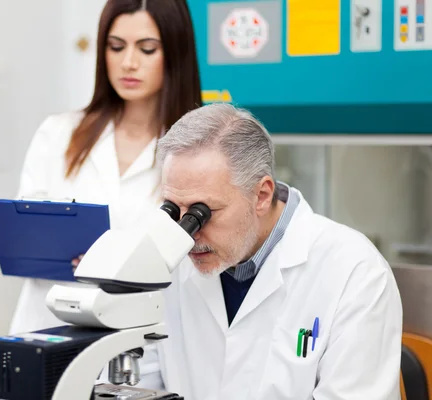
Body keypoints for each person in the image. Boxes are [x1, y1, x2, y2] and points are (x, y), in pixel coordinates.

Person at [139, 102, 403, 399]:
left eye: (202, 212)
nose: (188, 233)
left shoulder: (356, 273)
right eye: (175, 210)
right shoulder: (167, 265)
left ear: (261, 195)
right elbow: (143, 384)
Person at [9, 0, 202, 335]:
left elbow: (198, 264)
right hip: (47, 328)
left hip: (140, 342)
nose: (128, 63)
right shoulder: (58, 134)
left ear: (175, 51)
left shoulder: (195, 151)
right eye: (116, 47)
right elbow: (27, 240)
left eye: (147, 49)